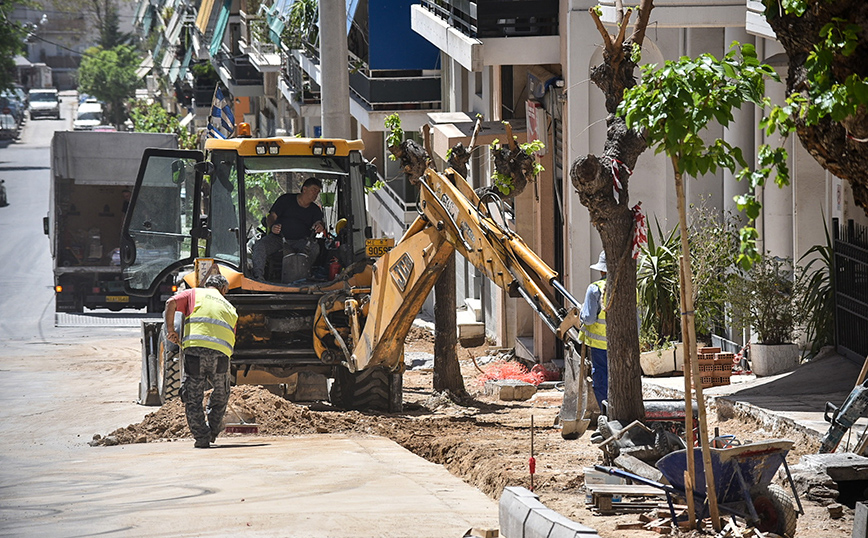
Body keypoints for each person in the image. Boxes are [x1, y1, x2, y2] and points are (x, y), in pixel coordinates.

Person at [165, 274, 238, 448]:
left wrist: (171, 330)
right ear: (224, 290)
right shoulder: (230, 307)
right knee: (221, 392)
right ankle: (212, 431)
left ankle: (201, 437)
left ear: (207, 285)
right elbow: (232, 335)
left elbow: (170, 303)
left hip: (195, 351)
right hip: (221, 354)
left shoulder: (194, 294)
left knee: (193, 396)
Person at [252, 177, 325, 280]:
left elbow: (319, 221)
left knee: (315, 248)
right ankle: (258, 277)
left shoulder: (314, 209)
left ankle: (304, 276)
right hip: (279, 239)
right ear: (304, 189)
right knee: (260, 246)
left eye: (317, 192)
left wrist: (320, 226)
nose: (315, 194)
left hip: (302, 241)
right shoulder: (286, 200)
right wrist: (273, 226)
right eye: (313, 190)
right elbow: (271, 217)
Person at [580, 250, 608, 411]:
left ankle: (606, 414)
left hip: (600, 347)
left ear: (602, 270)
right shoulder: (630, 287)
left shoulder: (595, 289)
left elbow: (589, 318)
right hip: (623, 347)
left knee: (601, 381)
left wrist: (582, 314)